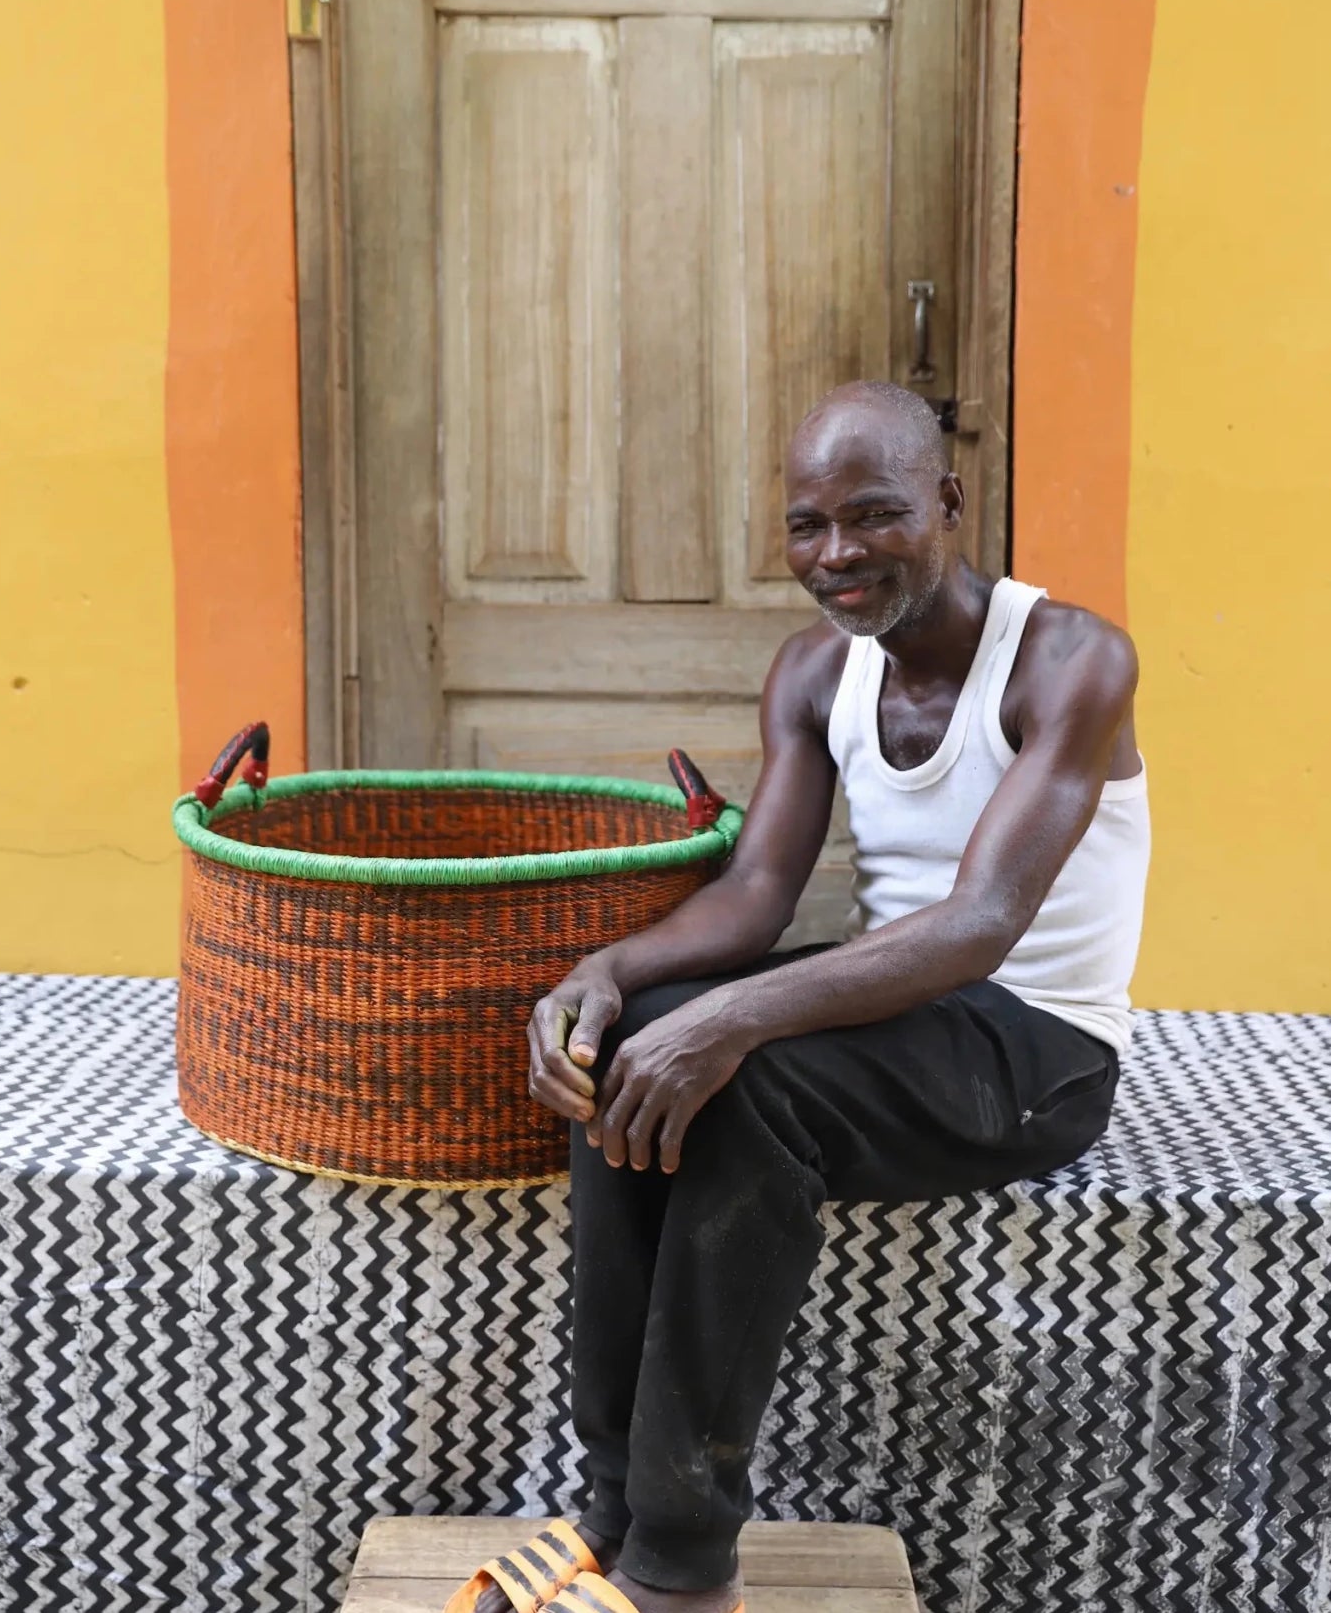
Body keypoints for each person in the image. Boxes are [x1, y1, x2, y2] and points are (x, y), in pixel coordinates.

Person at [449, 381, 1150, 1613]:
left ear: (947, 499)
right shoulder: (816, 672)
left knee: (741, 1079)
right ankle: (612, 1515)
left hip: (1036, 1051)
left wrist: (732, 1018)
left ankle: (679, 1566)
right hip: (904, 1011)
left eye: (872, 516)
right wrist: (607, 974)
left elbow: (982, 927)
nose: (837, 556)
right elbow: (758, 892)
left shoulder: (1070, 658)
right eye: (808, 526)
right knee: (630, 1047)